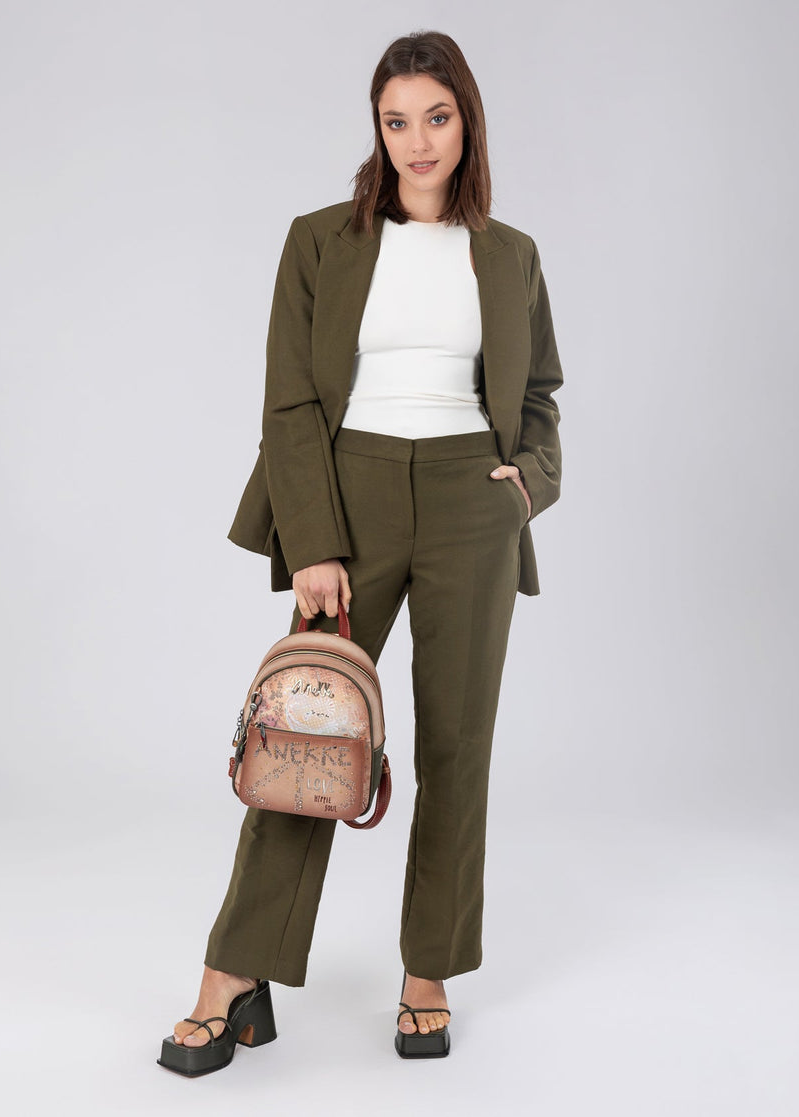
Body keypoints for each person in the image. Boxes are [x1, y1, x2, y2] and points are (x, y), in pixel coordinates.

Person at [158, 28, 563, 1073]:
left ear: (467, 123)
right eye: (396, 121)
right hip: (351, 493)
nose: (417, 141)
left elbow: (539, 396)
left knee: (456, 746)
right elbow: (290, 401)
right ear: (376, 130)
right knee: (309, 733)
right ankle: (233, 974)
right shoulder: (320, 241)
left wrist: (527, 484)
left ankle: (428, 972)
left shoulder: (510, 255)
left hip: (472, 500)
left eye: (437, 117)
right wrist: (313, 540)